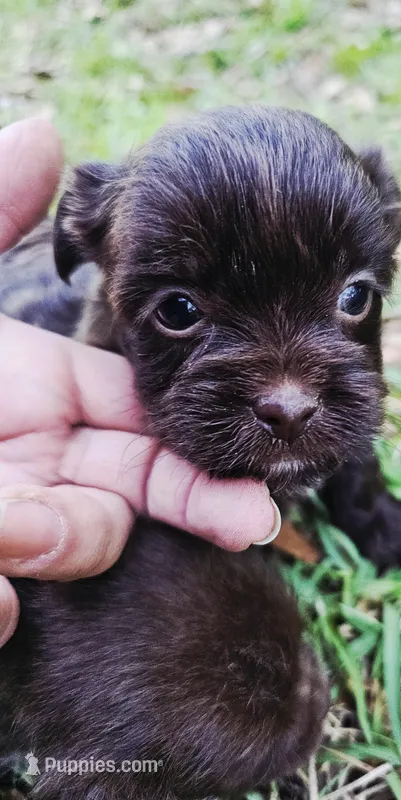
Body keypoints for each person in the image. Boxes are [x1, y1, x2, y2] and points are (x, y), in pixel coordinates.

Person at [0, 117, 280, 646]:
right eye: (180, 311)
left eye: (351, 301)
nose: (288, 392)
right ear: (80, 240)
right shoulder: (69, 394)